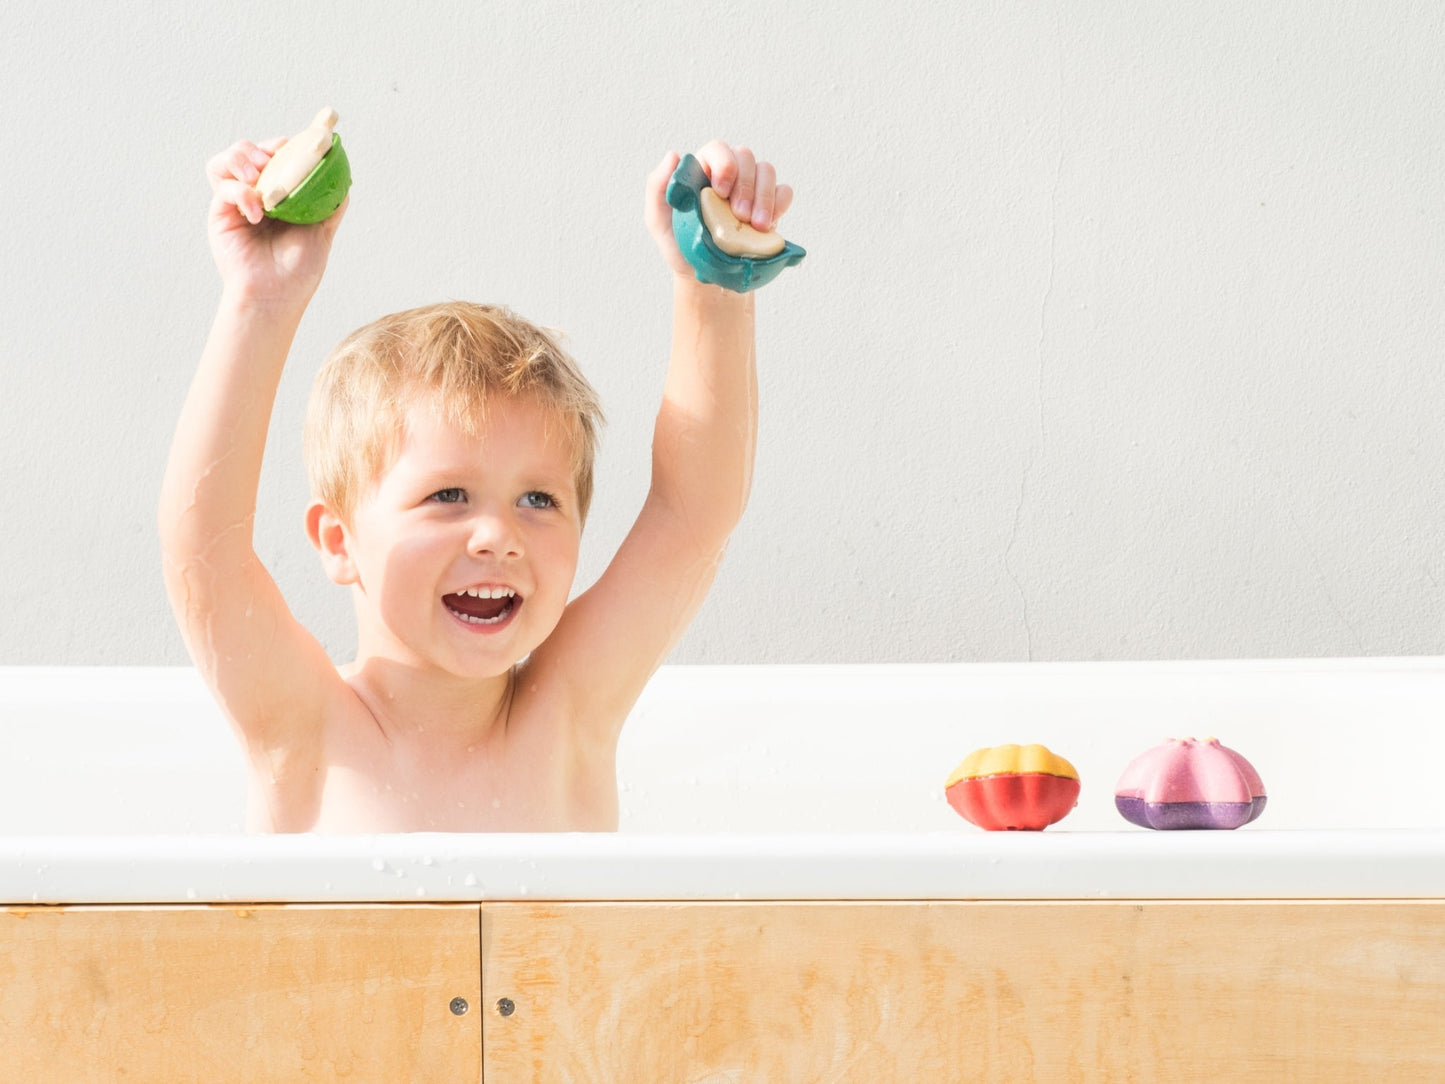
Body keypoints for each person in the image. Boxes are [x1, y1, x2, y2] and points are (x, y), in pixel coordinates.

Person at [159, 131, 794, 832]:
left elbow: (691, 514)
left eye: (537, 500)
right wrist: (259, 302)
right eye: (447, 496)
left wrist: (712, 288)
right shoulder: (305, 725)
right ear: (338, 541)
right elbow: (204, 548)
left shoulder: (566, 713)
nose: (498, 535)